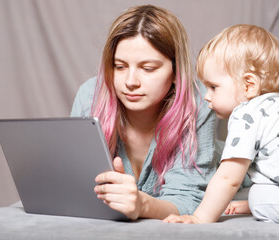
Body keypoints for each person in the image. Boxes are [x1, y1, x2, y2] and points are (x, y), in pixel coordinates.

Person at [70, 4, 219, 220]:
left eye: (148, 69)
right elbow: (75, 185)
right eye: (119, 66)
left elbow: (188, 199)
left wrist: (143, 204)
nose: (130, 82)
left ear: (177, 72)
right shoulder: (89, 96)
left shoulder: (200, 101)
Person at [162, 24, 279, 232]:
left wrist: (199, 217)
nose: (206, 96)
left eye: (213, 87)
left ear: (249, 85)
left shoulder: (246, 114)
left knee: (258, 197)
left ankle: (259, 205)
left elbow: (228, 177)